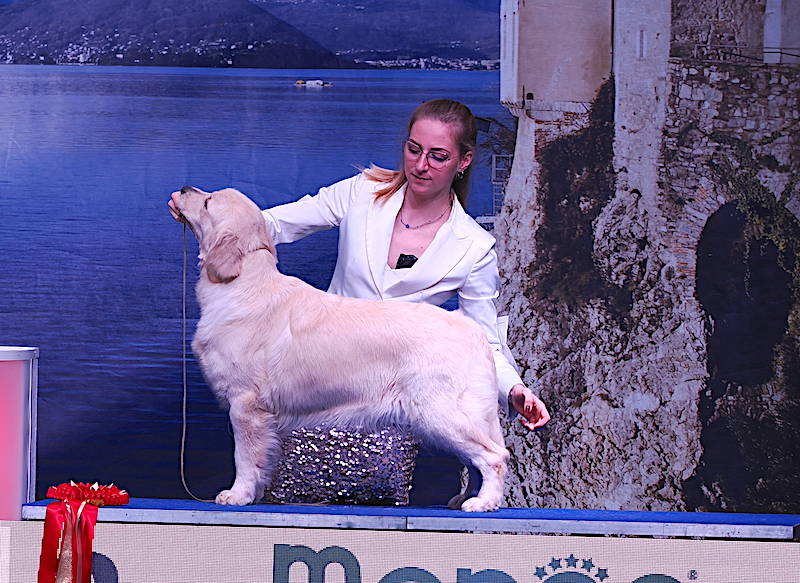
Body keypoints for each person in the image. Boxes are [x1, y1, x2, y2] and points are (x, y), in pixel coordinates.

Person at [170, 98, 549, 501]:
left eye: (438, 156)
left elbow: (482, 337)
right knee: (294, 518)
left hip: (389, 409)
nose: (420, 165)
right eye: (413, 149)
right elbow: (272, 224)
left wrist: (513, 389)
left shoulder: (474, 247)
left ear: (463, 161)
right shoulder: (362, 193)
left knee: (378, 523)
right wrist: (205, 218)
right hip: (316, 388)